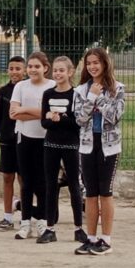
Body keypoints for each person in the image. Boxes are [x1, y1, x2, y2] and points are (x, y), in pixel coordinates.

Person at [73, 47, 126, 255]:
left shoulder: (117, 89)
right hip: (87, 145)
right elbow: (79, 119)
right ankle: (91, 238)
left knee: (105, 192)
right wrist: (90, 97)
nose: (92, 67)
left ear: (104, 63)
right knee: (90, 193)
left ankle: (106, 239)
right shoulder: (80, 91)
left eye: (96, 62)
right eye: (89, 63)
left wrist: (99, 98)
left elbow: (114, 116)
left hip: (109, 147)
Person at [38, 56, 86, 245]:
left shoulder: (76, 95)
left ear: (70, 72)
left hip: (71, 145)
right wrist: (52, 120)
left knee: (74, 185)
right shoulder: (48, 94)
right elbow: (44, 122)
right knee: (50, 185)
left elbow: (78, 122)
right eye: (55, 70)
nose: (58, 74)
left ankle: (78, 228)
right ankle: (50, 229)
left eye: (61, 70)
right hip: (51, 144)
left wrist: (61, 119)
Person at [9, 51, 55, 240]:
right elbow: (13, 113)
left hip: (45, 139)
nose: (33, 70)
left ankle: (42, 222)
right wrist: (41, 113)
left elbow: (52, 113)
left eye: (37, 66)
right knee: (26, 182)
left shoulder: (52, 86)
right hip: (24, 138)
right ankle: (25, 222)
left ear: (45, 68)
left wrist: (26, 110)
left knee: (42, 182)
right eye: (30, 66)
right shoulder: (20, 86)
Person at [0, 55, 26, 230]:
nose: (14, 72)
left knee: (23, 178)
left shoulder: (28, 90)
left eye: (18, 69)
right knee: (7, 177)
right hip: (6, 140)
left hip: (24, 139)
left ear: (24, 71)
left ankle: (26, 217)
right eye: (11, 69)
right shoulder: (3, 91)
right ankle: (7, 217)